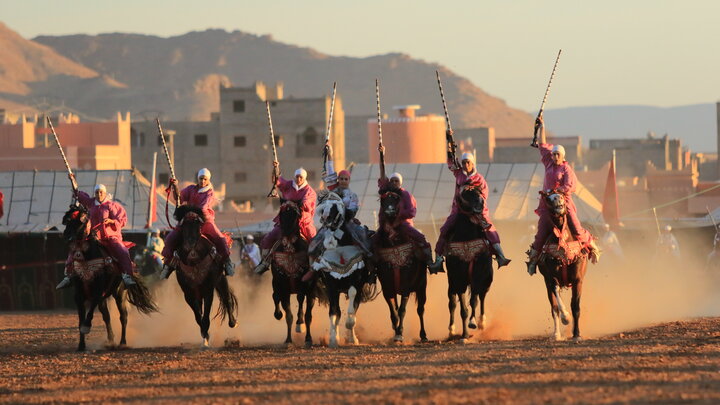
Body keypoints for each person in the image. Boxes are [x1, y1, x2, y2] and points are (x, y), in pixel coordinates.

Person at [527, 116, 600, 275]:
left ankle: (592, 246)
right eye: (553, 154)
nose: (554, 157)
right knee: (540, 234)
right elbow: (542, 144)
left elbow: (571, 186)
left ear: (562, 155)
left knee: (576, 228)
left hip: (563, 204)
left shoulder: (566, 169)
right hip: (547, 205)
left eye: (557, 155)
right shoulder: (548, 162)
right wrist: (542, 127)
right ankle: (533, 261)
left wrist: (558, 191)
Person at [434, 145, 511, 268]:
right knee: (445, 228)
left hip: (477, 211)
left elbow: (484, 195)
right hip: (458, 209)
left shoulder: (479, 179)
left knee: (488, 228)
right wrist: (449, 148)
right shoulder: (459, 173)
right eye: (463, 162)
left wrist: (474, 194)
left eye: (468, 162)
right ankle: (438, 258)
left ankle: (499, 254)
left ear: (472, 163)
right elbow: (451, 163)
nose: (465, 165)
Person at [57, 179, 136, 289]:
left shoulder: (112, 206)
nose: (99, 194)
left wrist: (112, 221)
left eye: (101, 192)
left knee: (122, 250)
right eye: (97, 192)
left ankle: (127, 275)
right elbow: (79, 195)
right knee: (75, 249)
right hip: (94, 236)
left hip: (110, 237)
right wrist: (73, 183)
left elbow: (122, 219)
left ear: (105, 193)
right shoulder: (91, 203)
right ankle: (68, 276)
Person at [376, 145, 443, 272]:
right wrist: (381, 155)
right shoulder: (386, 192)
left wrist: (398, 215)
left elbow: (412, 211)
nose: (394, 183)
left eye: (396, 181)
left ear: (400, 183)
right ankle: (371, 271)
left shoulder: (405, 194)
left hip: (403, 224)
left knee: (421, 238)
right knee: (372, 242)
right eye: (392, 181)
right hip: (386, 225)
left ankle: (430, 262)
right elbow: (382, 171)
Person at [160, 168, 234, 278]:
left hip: (205, 221)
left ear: (208, 180)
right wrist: (175, 187)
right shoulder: (190, 189)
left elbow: (203, 207)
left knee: (220, 239)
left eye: (205, 179)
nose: (202, 181)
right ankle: (167, 265)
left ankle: (227, 263)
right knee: (170, 238)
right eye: (201, 178)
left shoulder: (209, 192)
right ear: (198, 179)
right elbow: (179, 199)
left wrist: (192, 212)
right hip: (188, 221)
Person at [255, 165, 317, 274]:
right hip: (285, 221)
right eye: (297, 177)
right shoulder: (288, 185)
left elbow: (307, 202)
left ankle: (315, 267)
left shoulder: (309, 191)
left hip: (303, 222)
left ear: (304, 178)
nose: (298, 179)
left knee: (314, 241)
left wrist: (297, 203)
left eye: (300, 177)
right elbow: (277, 181)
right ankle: (265, 262)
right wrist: (276, 169)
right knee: (269, 238)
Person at [321, 144, 371, 254]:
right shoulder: (333, 191)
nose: (343, 181)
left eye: (346, 179)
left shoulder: (353, 196)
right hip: (331, 223)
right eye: (341, 178)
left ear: (349, 180)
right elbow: (330, 170)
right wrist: (330, 155)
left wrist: (344, 212)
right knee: (317, 239)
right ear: (338, 179)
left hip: (348, 222)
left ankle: (367, 257)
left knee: (361, 234)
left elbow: (353, 210)